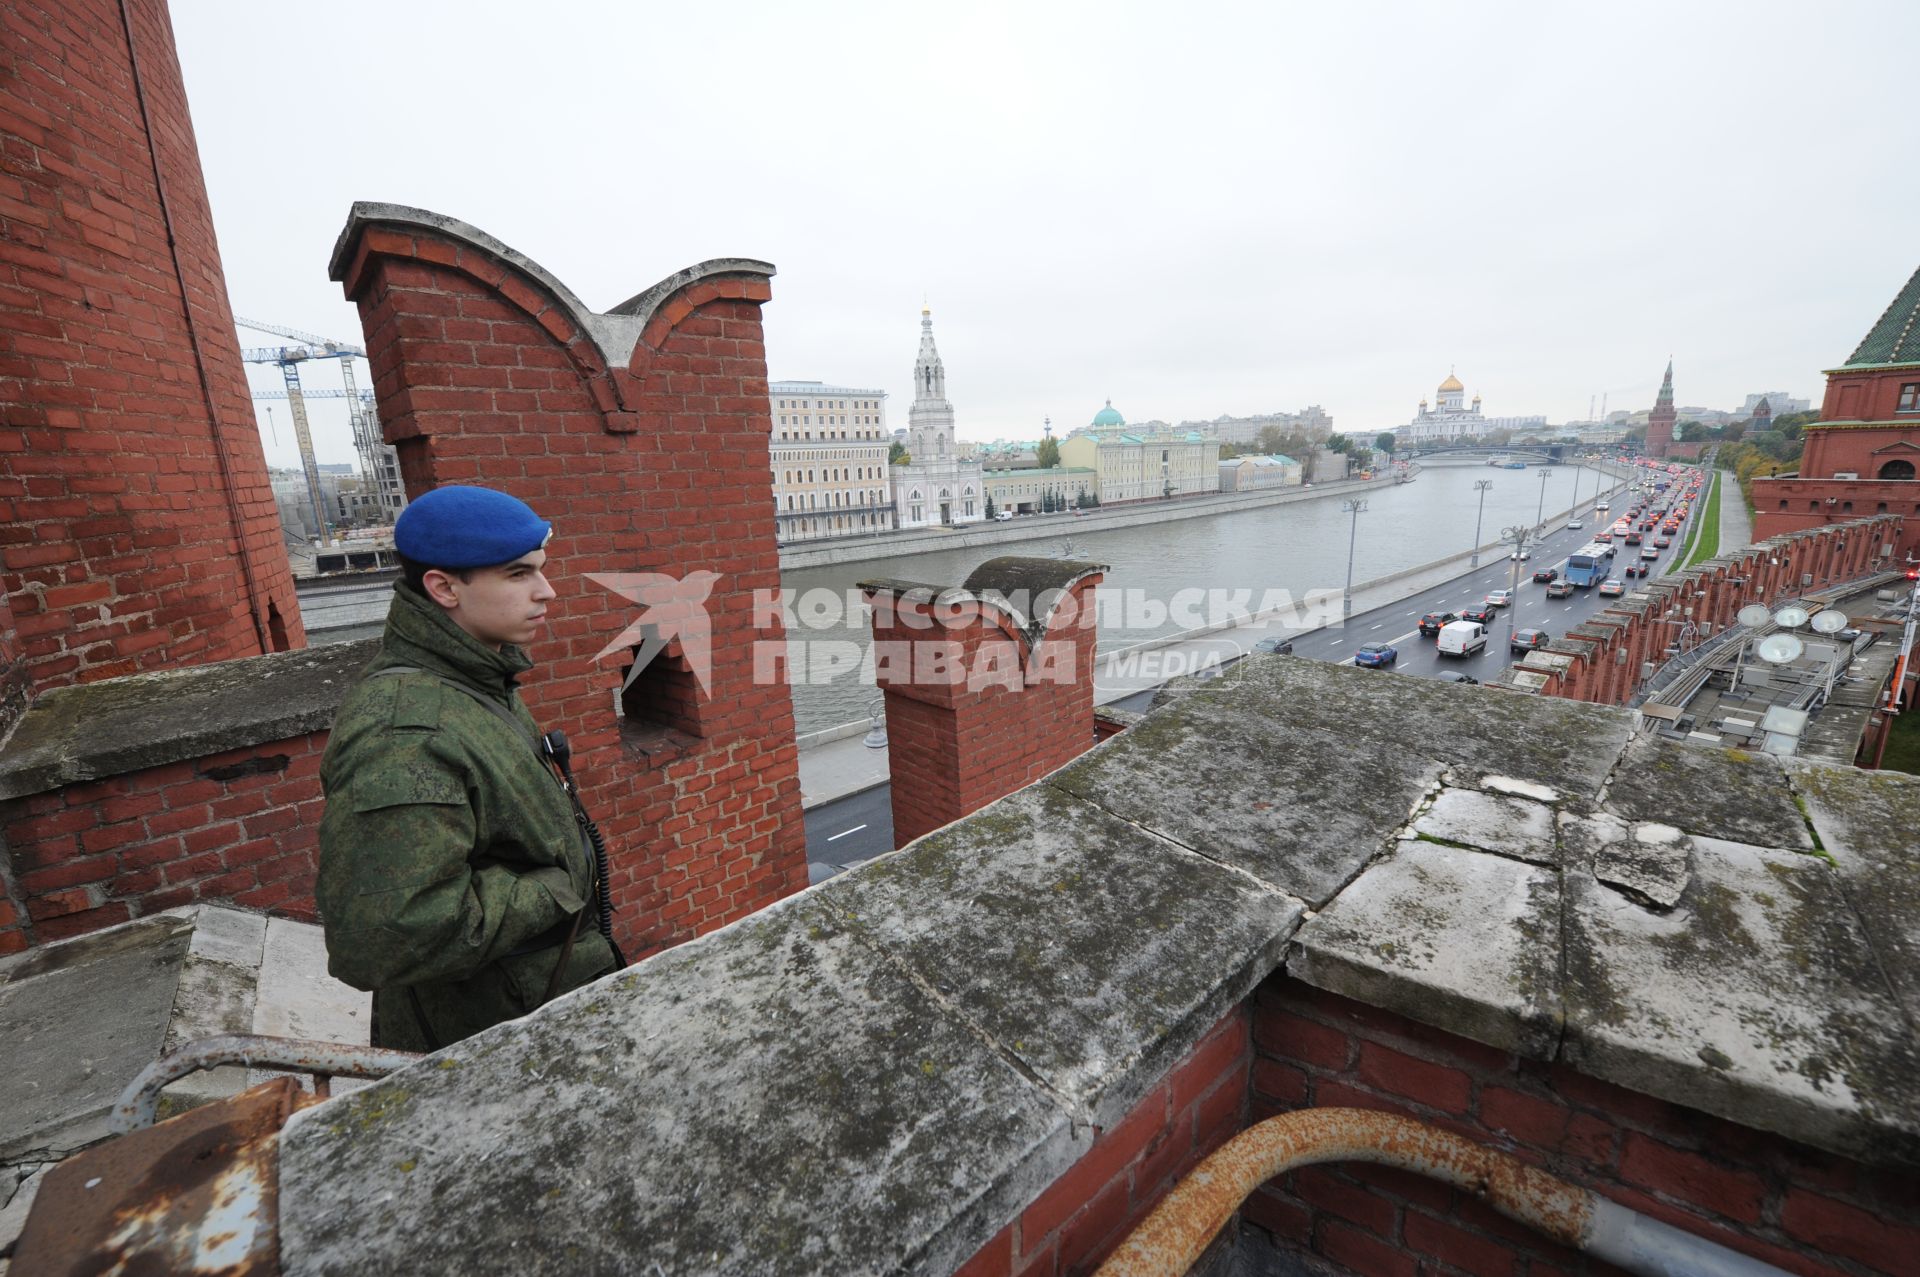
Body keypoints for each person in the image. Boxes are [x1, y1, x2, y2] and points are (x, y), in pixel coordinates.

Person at [316, 485, 619, 1051]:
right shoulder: (406, 732)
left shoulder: (476, 678)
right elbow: (380, 936)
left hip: (523, 1012)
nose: (547, 592)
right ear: (443, 588)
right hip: (494, 1042)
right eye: (517, 574)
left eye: (541, 571)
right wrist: (554, 890)